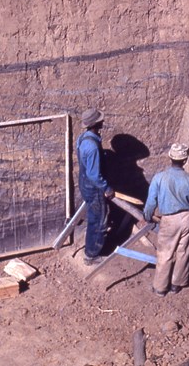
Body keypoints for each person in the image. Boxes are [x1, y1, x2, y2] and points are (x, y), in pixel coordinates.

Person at [143, 143, 189, 297]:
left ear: (170, 158)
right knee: (183, 252)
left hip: (169, 220)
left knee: (165, 253)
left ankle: (160, 288)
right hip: (186, 218)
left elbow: (151, 202)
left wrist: (147, 216)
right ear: (185, 160)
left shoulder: (159, 178)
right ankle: (177, 284)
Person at [77, 108, 115, 265]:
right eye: (100, 120)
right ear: (96, 123)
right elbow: (94, 175)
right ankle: (91, 255)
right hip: (94, 187)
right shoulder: (92, 147)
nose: (103, 121)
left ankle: (91, 248)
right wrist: (107, 188)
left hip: (85, 183)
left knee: (95, 217)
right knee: (99, 220)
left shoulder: (82, 138)